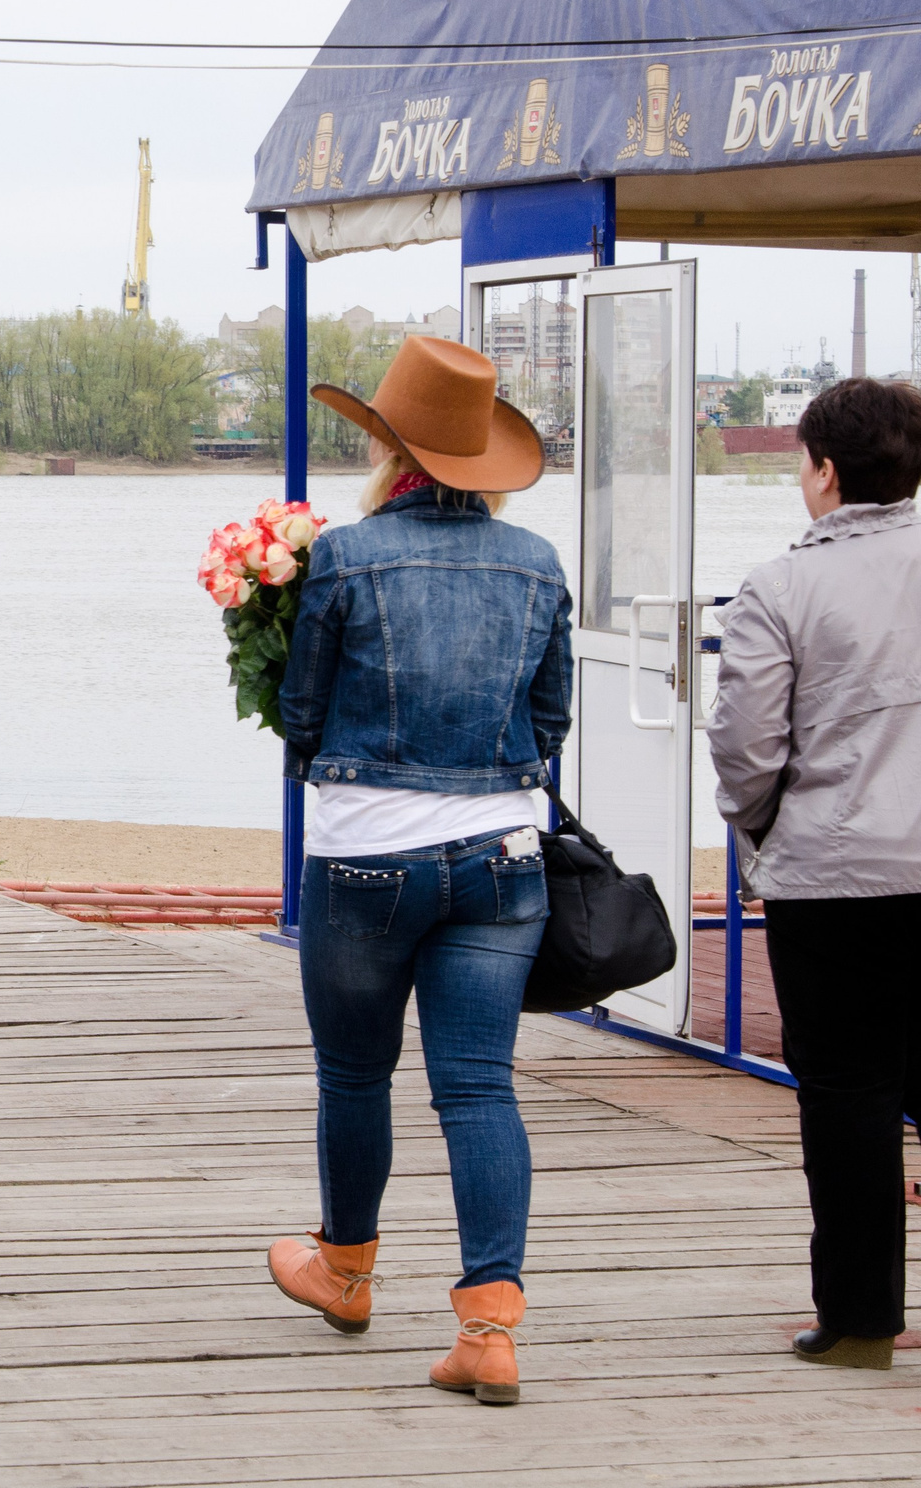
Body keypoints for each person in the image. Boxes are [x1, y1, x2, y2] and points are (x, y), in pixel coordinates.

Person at [266, 335, 571, 1407]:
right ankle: (488, 1329)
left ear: (389, 451)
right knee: (476, 1083)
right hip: (500, 857)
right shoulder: (535, 562)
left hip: (364, 857)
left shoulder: (345, 557)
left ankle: (346, 1274)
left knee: (355, 1075)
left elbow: (299, 713)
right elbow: (549, 718)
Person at [705, 375, 921, 1371]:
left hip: (831, 881)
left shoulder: (779, 588)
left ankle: (860, 1321)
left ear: (826, 472)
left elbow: (746, 748)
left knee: (846, 1094)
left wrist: (761, 830)